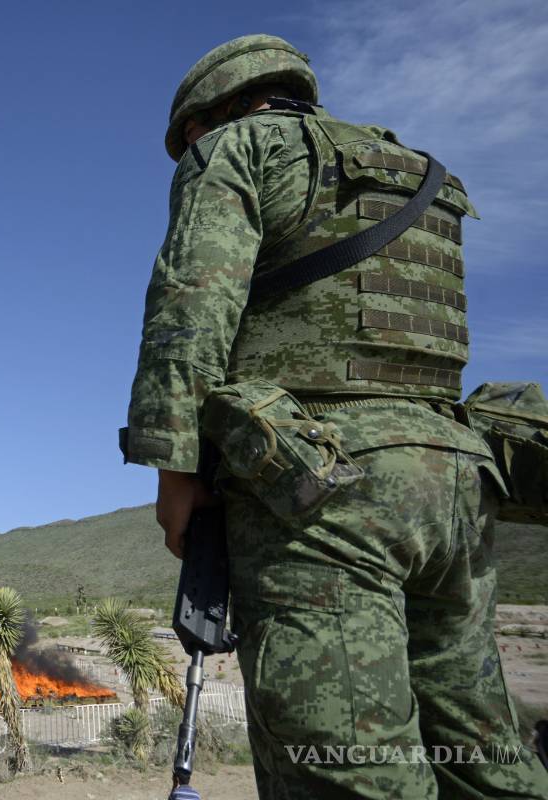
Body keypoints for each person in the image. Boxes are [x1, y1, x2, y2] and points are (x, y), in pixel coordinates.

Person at [122, 34, 548, 799]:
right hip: (453, 479)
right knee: (484, 758)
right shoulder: (417, 171)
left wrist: (174, 468)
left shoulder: (237, 149)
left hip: (320, 494)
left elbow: (190, 309)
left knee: (349, 770)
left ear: (204, 118)